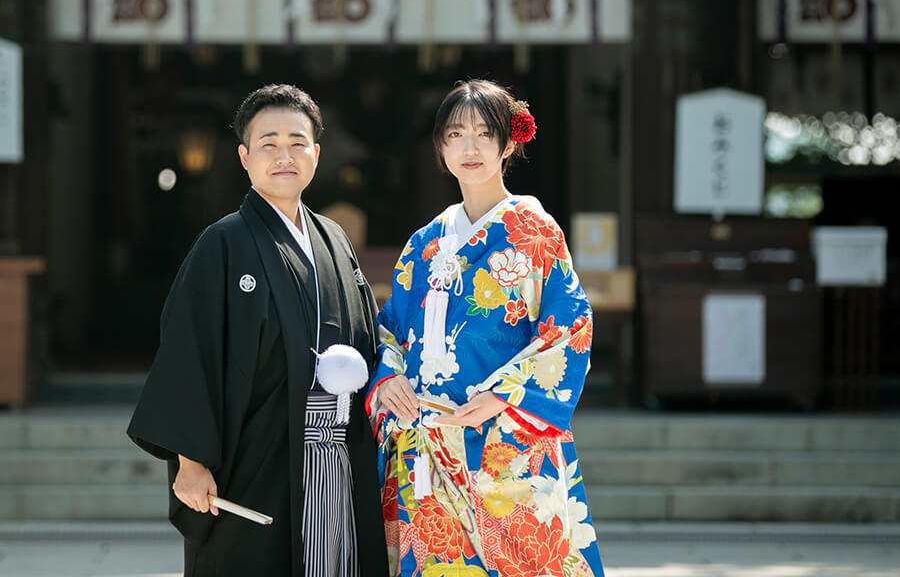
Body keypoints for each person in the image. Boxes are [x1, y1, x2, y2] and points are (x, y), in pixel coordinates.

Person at [128, 84, 385, 577]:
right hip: (256, 456)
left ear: (316, 154)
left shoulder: (333, 238)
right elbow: (190, 352)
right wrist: (191, 461)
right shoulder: (221, 244)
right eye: (268, 144)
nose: (283, 155)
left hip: (338, 451)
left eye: (296, 142)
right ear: (244, 157)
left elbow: (366, 339)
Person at [365, 79, 605, 577]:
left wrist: (506, 396)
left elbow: (570, 327)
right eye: (455, 135)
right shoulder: (425, 243)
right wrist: (387, 380)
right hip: (425, 448)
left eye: (483, 133)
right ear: (441, 148)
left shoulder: (534, 231)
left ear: (508, 143)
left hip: (504, 442)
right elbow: (389, 328)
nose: (469, 147)